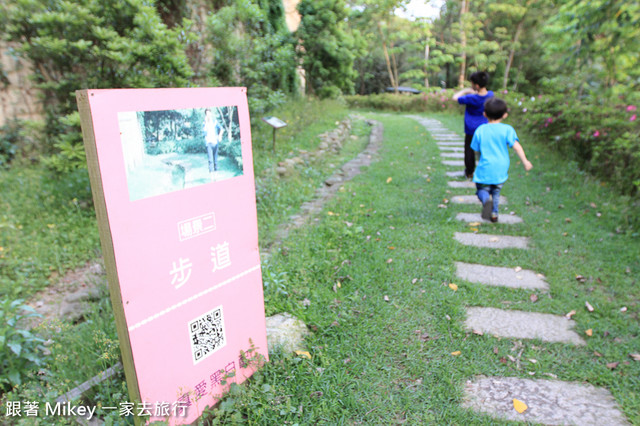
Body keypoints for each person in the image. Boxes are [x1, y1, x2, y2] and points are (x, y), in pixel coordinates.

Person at [471, 97, 533, 223]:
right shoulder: (507, 130)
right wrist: (525, 161)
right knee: (496, 192)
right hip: (501, 168)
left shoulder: (480, 130)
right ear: (505, 115)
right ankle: (494, 213)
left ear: (485, 114)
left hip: (485, 167)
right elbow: (517, 147)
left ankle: (485, 201)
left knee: (482, 190)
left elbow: (475, 149)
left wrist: (477, 160)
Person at [452, 71, 494, 179]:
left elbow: (455, 98)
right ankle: (485, 172)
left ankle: (469, 172)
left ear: (477, 85)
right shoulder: (490, 95)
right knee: (484, 150)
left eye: (471, 83)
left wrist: (465, 90)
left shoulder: (471, 98)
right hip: (485, 127)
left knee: (469, 151)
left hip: (471, 129)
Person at [203, 108, 222, 180]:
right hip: (209, 144)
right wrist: (205, 123)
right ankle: (211, 177)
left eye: (209, 113)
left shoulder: (215, 121)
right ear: (206, 115)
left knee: (215, 160)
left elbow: (221, 128)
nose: (208, 115)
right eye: (207, 113)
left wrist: (220, 136)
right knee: (210, 160)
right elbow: (204, 133)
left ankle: (216, 176)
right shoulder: (204, 123)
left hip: (215, 143)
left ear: (211, 114)